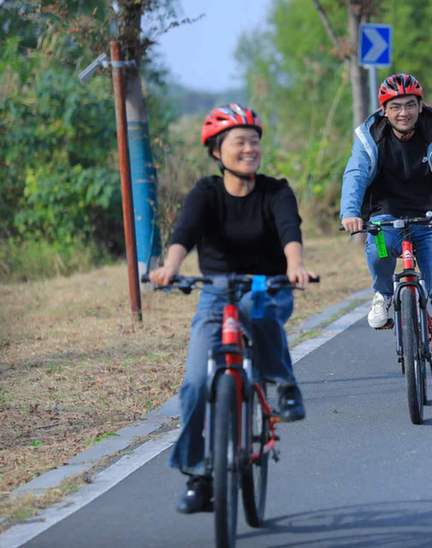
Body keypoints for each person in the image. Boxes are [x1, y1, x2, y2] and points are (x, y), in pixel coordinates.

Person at [148, 103, 315, 513]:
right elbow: (185, 230)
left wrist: (294, 266)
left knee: (256, 308)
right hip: (216, 290)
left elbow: (289, 230)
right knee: (193, 385)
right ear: (216, 152)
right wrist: (170, 268)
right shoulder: (206, 192)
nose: (249, 149)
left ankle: (283, 383)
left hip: (266, 284)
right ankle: (199, 475)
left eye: (254, 141)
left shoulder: (276, 191)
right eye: (239, 142)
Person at [340, 73, 432, 398]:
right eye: (395, 107)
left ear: (420, 106)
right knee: (379, 248)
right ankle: (383, 293)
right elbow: (355, 173)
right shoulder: (371, 136)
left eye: (410, 105)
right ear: (384, 110)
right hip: (384, 213)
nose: (403, 112)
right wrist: (350, 212)